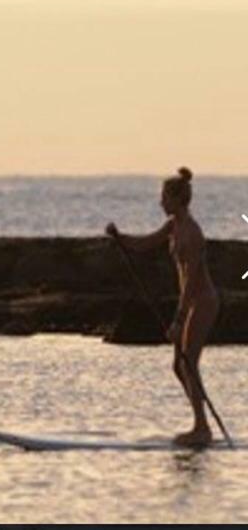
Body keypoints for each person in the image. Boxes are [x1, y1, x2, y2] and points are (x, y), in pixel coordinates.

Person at [106, 167, 219, 446]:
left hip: (202, 302)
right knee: (179, 367)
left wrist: (179, 319)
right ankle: (200, 423)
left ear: (177, 200)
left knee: (188, 362)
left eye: (164, 197)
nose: (160, 203)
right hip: (191, 303)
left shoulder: (192, 233)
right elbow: (145, 244)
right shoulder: (173, 227)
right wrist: (120, 238)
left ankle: (202, 429)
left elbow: (192, 281)